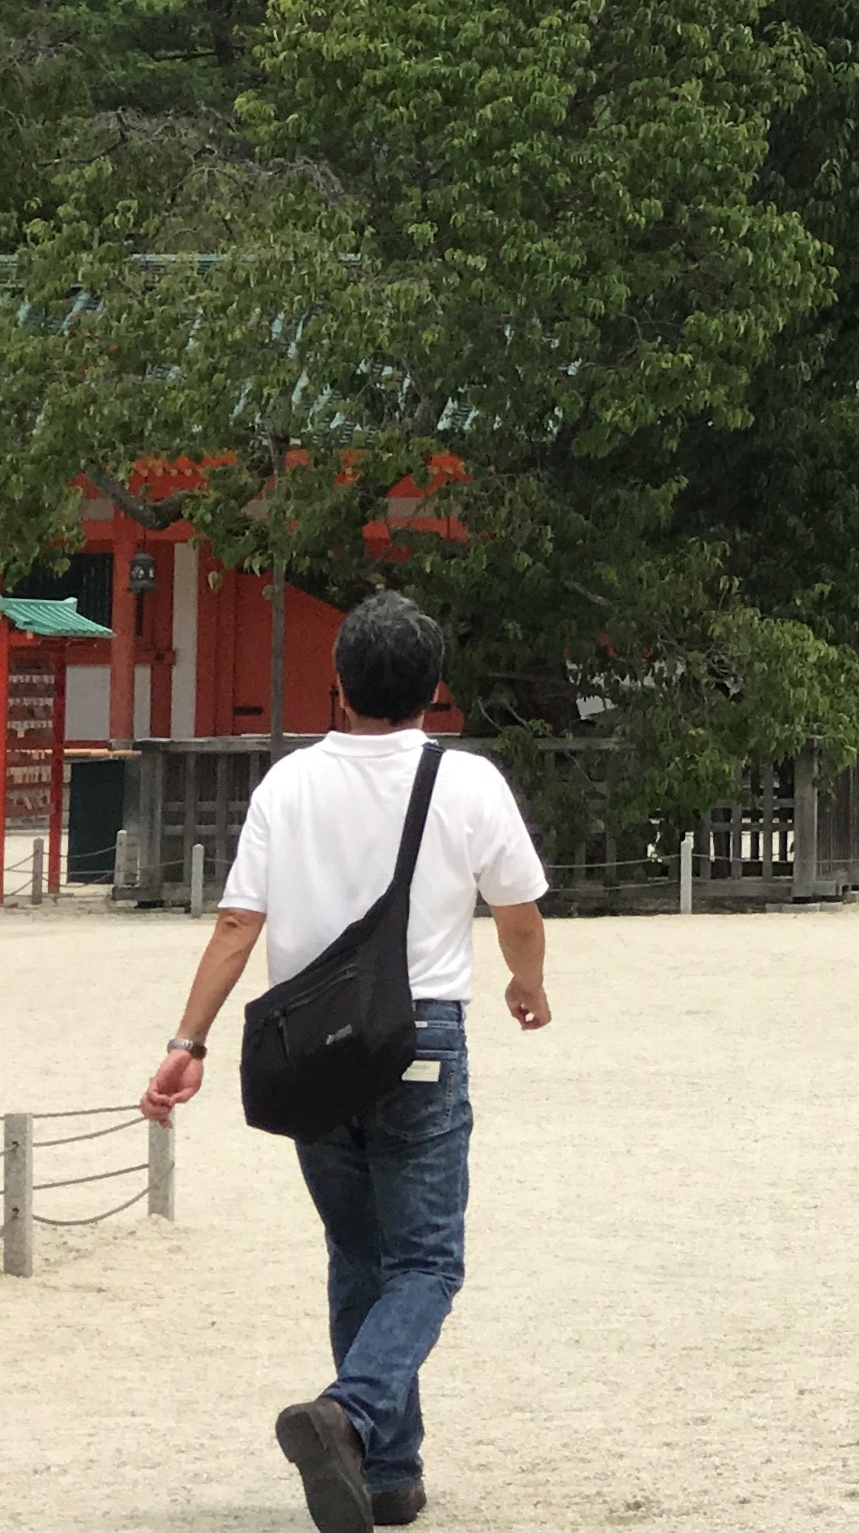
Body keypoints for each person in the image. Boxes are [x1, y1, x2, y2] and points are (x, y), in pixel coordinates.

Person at [141, 591, 552, 1533]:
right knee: (428, 1264)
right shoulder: (468, 780)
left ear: (337, 684)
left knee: (357, 1255)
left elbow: (239, 924)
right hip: (419, 1043)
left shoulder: (288, 785)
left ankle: (390, 1474)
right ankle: (351, 1413)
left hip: (310, 1052)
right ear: (435, 689)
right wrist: (526, 983)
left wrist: (187, 1043)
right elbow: (518, 907)